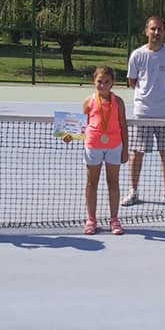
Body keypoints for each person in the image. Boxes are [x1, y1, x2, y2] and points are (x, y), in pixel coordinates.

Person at [122, 15, 165, 207]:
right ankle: (133, 192)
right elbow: (132, 82)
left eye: (159, 29)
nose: (156, 32)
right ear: (146, 31)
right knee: (137, 153)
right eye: (153, 29)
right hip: (143, 113)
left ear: (164, 32)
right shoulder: (137, 55)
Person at [63, 66, 129, 235]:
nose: (103, 85)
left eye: (107, 82)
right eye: (100, 81)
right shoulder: (89, 101)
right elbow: (81, 125)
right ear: (94, 81)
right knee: (92, 183)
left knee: (113, 182)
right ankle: (91, 219)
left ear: (112, 83)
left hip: (114, 146)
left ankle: (114, 219)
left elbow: (123, 126)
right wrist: (70, 135)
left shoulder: (118, 102)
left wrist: (125, 150)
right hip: (93, 146)